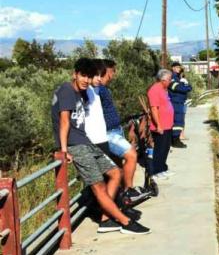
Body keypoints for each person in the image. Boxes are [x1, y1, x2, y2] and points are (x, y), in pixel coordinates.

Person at [52, 58, 149, 235]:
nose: (86, 80)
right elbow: (64, 121)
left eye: (89, 77)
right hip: (76, 146)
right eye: (83, 76)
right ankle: (124, 221)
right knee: (98, 186)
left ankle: (106, 218)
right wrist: (64, 150)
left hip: (86, 142)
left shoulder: (80, 92)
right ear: (74, 74)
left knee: (114, 173)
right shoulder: (66, 90)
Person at [99, 59, 149, 207]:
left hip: (115, 130)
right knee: (131, 154)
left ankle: (117, 199)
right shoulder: (98, 89)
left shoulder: (104, 89)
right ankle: (129, 191)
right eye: (113, 71)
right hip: (108, 132)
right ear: (107, 71)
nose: (114, 74)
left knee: (118, 168)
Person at [148, 69, 175, 180]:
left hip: (168, 124)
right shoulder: (154, 90)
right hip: (161, 125)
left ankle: (163, 168)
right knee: (160, 149)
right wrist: (158, 125)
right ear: (163, 80)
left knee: (165, 148)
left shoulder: (164, 89)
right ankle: (156, 171)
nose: (171, 81)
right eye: (169, 79)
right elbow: (154, 109)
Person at [169, 62, 192, 149]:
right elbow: (180, 88)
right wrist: (186, 85)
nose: (179, 69)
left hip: (179, 102)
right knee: (178, 122)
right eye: (177, 67)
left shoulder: (178, 78)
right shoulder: (172, 78)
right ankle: (175, 140)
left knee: (179, 121)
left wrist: (186, 85)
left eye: (179, 67)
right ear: (173, 68)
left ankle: (176, 139)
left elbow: (188, 88)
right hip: (175, 102)